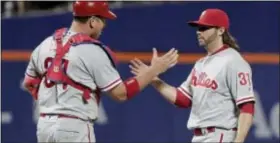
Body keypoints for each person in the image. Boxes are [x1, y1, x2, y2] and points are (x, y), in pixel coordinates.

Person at [22, 1, 178, 142]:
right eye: (103, 20)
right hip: (74, 127)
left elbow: (30, 83)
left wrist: (52, 103)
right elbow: (121, 93)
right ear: (92, 21)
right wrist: (154, 70)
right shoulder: (92, 50)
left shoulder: (45, 45)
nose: (104, 25)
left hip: (44, 127)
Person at [129, 8, 255, 143]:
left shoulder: (233, 61)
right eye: (198, 28)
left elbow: (247, 105)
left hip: (221, 135)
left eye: (204, 28)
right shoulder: (201, 63)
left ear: (221, 30)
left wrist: (239, 140)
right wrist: (152, 78)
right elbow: (183, 99)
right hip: (199, 136)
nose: (199, 32)